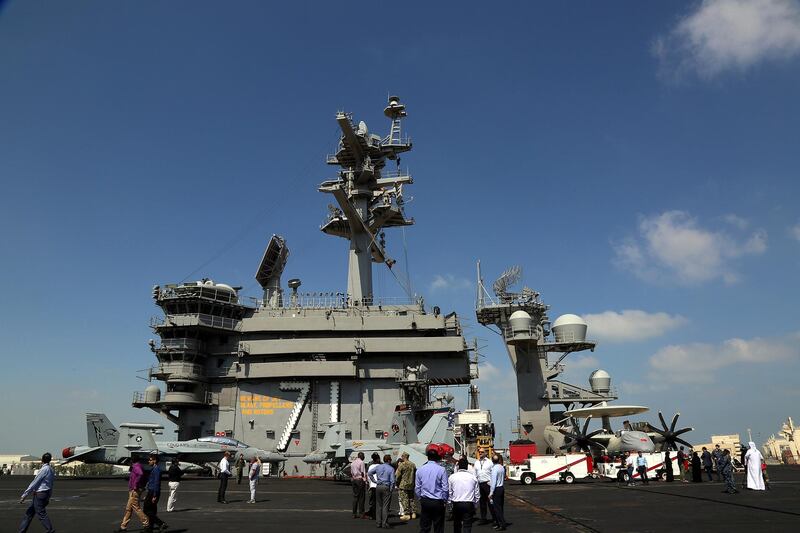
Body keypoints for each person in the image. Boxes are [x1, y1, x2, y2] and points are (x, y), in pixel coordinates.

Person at [18, 452, 55, 533]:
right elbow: (51, 484)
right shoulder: (51, 470)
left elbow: (34, 482)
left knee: (41, 514)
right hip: (45, 494)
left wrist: (24, 495)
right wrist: (49, 495)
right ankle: (22, 530)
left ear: (42, 460)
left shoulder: (44, 469)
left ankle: (50, 530)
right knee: (29, 513)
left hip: (39, 495)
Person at [415, 446, 449, 533]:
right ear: (437, 457)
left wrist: (420, 498)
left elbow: (417, 487)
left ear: (427, 457)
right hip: (438, 501)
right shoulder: (441, 469)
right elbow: (445, 488)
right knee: (438, 527)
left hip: (425, 500)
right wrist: (445, 500)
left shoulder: (420, 469)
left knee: (425, 526)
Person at [116, 457, 149, 532]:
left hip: (134, 491)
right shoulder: (138, 466)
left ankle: (146, 523)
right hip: (133, 491)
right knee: (129, 509)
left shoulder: (136, 466)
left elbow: (140, 473)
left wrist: (135, 485)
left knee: (135, 507)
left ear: (132, 461)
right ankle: (123, 526)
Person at [449, 457, 479, 533]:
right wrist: (475, 505)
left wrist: (450, 504)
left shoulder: (452, 477)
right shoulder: (473, 478)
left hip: (456, 503)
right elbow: (477, 494)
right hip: (469, 503)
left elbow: (449, 492)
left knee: (457, 525)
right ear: (467, 467)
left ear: (458, 466)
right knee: (467, 525)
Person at [369, 454, 396, 529]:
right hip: (386, 487)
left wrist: (374, 481)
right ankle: (384, 523)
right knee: (385, 506)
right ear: (388, 460)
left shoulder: (378, 466)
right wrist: (391, 490)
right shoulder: (391, 469)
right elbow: (393, 481)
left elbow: (370, 473)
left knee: (379, 505)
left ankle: (378, 523)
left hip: (379, 486)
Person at [143, 453, 166, 532]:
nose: (148, 461)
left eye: (150, 460)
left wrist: (154, 495)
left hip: (153, 492)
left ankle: (161, 523)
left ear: (155, 461)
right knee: (152, 511)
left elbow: (156, 483)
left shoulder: (156, 470)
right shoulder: (154, 469)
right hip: (151, 491)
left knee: (146, 510)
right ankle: (150, 529)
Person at [472, 448, 493, 524]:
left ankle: (494, 518)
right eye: (479, 452)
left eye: (482, 452)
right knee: (482, 502)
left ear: (485, 453)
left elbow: (492, 473)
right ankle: (483, 518)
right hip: (480, 484)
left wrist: (491, 483)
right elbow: (474, 473)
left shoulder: (489, 462)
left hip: (487, 484)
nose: (480, 453)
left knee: (490, 501)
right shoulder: (476, 462)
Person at [395, 452, 417, 521]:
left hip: (403, 485)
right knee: (411, 498)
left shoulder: (402, 465)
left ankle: (407, 514)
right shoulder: (413, 465)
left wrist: (397, 483)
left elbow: (398, 475)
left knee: (404, 499)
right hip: (411, 484)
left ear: (403, 457)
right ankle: (413, 513)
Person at [488, 454, 507, 531]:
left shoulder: (494, 469)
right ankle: (500, 523)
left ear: (492, 460)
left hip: (496, 489)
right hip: (501, 488)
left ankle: (501, 524)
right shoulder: (501, 467)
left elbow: (494, 482)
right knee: (500, 507)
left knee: (497, 508)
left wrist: (491, 493)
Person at [351, 451, 368, 519]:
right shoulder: (361, 462)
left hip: (354, 480)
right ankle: (361, 513)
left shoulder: (352, 463)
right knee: (361, 498)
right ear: (361, 456)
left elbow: (351, 473)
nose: (364, 457)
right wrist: (365, 481)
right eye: (363, 456)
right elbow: (363, 472)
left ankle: (354, 513)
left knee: (355, 497)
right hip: (360, 480)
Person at [367, 452, 381, 519]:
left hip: (372, 485)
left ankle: (372, 514)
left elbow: (368, 475)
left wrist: (371, 482)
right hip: (378, 485)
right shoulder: (381, 465)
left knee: (372, 501)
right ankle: (378, 515)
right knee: (379, 501)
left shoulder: (370, 465)